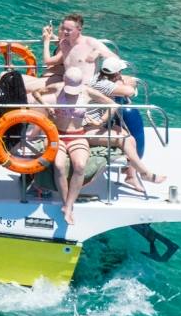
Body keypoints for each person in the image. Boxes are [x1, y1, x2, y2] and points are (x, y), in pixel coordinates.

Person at [93, 55, 164, 193]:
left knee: (128, 132)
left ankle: (131, 173)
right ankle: (136, 173)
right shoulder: (104, 85)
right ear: (117, 73)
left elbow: (128, 82)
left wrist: (122, 81)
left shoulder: (98, 78)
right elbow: (130, 91)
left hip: (106, 118)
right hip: (99, 121)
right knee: (130, 123)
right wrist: (124, 83)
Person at [49, 68, 103, 227]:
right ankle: (66, 204)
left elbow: (112, 104)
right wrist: (48, 107)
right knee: (58, 165)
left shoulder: (87, 92)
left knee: (79, 165)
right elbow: (38, 92)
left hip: (78, 135)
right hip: (58, 134)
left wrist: (100, 120)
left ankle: (69, 205)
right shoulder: (58, 87)